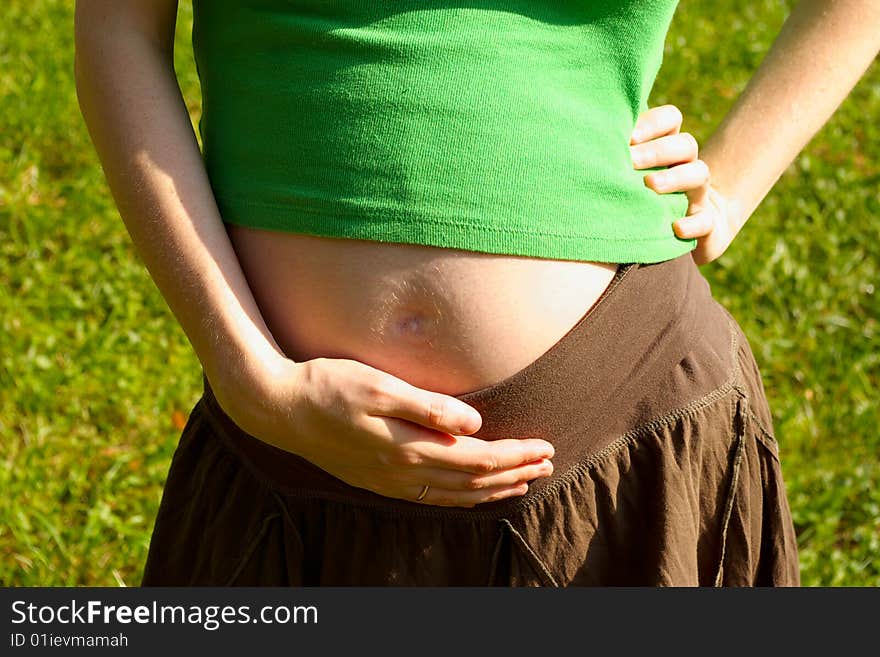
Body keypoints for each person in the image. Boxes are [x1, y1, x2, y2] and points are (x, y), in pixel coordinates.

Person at [73, 0, 878, 586]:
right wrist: (256, 382)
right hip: (292, 482)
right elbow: (117, 31)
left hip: (626, 452)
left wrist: (732, 182)